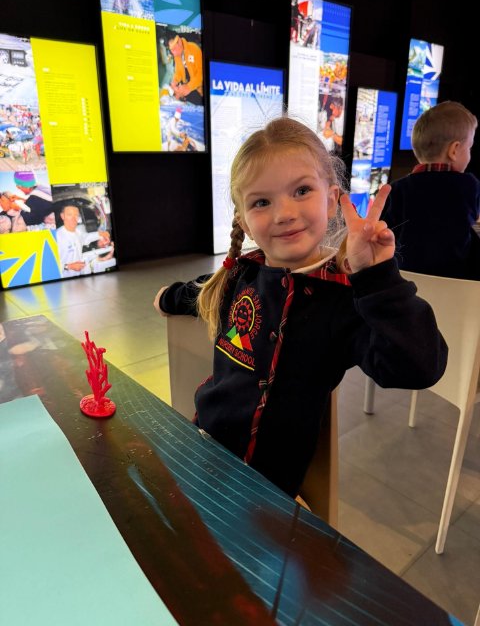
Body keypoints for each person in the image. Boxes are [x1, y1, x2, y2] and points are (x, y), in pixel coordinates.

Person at [152, 116, 447, 499]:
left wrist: (378, 278)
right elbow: (200, 292)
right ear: (244, 220)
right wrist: (167, 296)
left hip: (265, 490)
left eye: (302, 190)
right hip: (202, 450)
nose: (284, 213)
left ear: (331, 198)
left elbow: (419, 366)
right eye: (262, 202)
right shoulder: (240, 273)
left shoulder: (343, 300)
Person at [381, 101, 480, 280]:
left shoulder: (397, 189)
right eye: (469, 148)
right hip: (458, 282)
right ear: (454, 150)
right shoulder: (470, 185)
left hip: (405, 282)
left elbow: (384, 231)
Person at [55, 204, 115, 278]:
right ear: (62, 216)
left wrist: (100, 234)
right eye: (69, 215)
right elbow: (48, 265)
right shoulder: (56, 236)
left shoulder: (77, 232)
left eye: (76, 215)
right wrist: (68, 266)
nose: (73, 219)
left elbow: (85, 238)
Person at [167, 32, 203, 106]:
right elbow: (178, 72)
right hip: (187, 90)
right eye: (172, 50)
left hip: (199, 91)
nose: (174, 54)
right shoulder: (177, 55)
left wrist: (189, 87)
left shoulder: (194, 49)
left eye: (175, 49)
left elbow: (201, 73)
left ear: (180, 42)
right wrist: (175, 80)